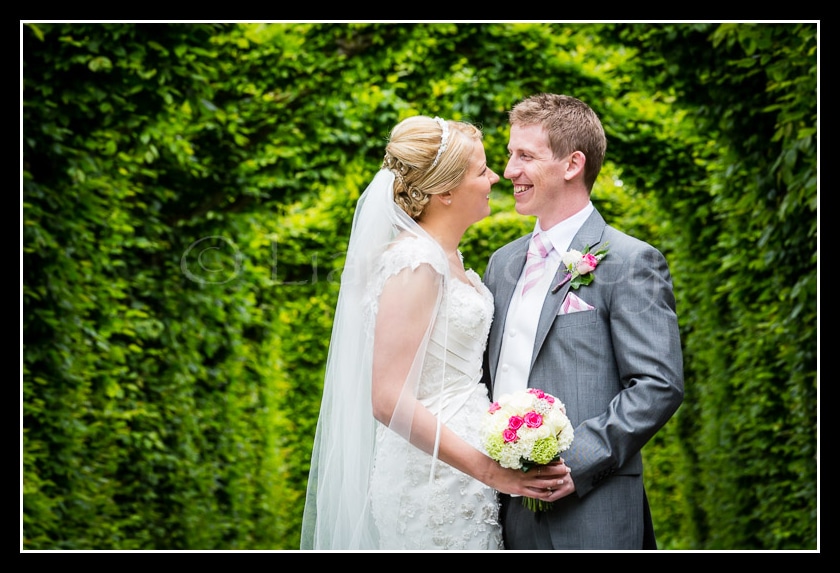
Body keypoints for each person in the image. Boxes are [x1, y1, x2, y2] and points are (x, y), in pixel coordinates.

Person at [300, 115, 570, 551]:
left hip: (462, 466)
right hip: (432, 477)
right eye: (482, 171)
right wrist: (487, 469)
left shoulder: (449, 257)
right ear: (445, 191)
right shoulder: (416, 263)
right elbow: (387, 398)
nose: (495, 177)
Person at [481, 93, 685, 550]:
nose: (509, 171)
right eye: (510, 154)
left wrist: (575, 461)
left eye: (525, 156)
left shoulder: (632, 261)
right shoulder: (501, 263)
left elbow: (658, 383)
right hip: (498, 510)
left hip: (591, 509)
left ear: (573, 164)